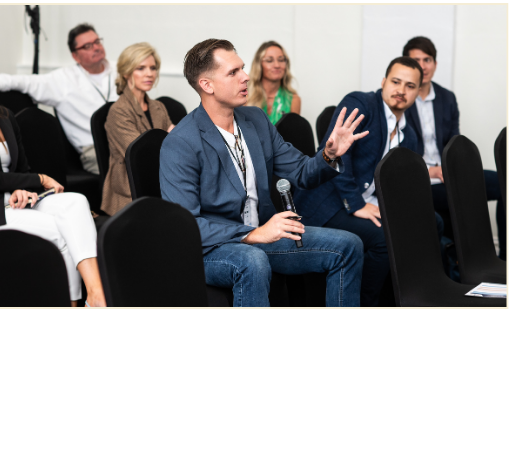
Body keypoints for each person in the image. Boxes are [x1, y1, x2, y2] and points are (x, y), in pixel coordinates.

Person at [160, 38, 367, 307]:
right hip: (211, 249)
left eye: (242, 68)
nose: (246, 77)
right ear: (206, 85)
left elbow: (303, 172)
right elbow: (186, 226)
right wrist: (252, 235)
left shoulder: (255, 120)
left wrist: (329, 154)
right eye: (233, 72)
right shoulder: (181, 142)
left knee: (349, 246)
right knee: (251, 260)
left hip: (264, 234)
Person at [0, 50, 106, 306]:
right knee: (60, 231)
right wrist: (40, 179)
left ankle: (95, 295)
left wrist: (22, 188)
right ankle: (70, 303)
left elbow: (20, 169)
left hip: (9, 198)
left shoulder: (4, 115)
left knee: (76, 201)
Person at [295, 57, 444, 306]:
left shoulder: (410, 134)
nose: (401, 90)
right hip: (328, 202)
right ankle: (367, 301)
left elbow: (399, 180)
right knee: (384, 239)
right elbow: (336, 155)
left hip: (370, 200)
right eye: (396, 82)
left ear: (418, 92)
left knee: (432, 222)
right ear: (384, 82)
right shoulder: (360, 104)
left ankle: (412, 296)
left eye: (410, 86)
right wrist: (357, 204)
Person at [403, 36, 506, 260]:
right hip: (421, 178)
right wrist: (427, 170)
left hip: (447, 174)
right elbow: (397, 151)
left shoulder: (446, 98)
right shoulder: (400, 97)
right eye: (416, 60)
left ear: (435, 64)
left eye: (427, 59)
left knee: (502, 181)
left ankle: (504, 260)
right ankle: (466, 258)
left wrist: (452, 169)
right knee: (458, 204)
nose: (423, 65)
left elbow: (454, 142)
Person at [0, 23, 119, 174]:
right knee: (128, 172)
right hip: (94, 149)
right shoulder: (63, 79)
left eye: (97, 42)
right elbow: (25, 82)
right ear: (75, 56)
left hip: (124, 140)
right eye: (87, 46)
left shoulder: (120, 69)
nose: (96, 47)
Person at [101, 42, 174, 215]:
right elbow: (141, 156)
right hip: (130, 189)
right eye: (141, 68)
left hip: (160, 180)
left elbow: (178, 143)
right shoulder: (118, 111)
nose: (149, 74)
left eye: (153, 68)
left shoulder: (158, 107)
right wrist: (170, 139)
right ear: (126, 72)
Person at [246, 40, 301, 124]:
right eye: (269, 60)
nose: (277, 65)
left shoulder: (293, 100)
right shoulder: (245, 97)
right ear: (259, 65)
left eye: (281, 60)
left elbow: (291, 135)